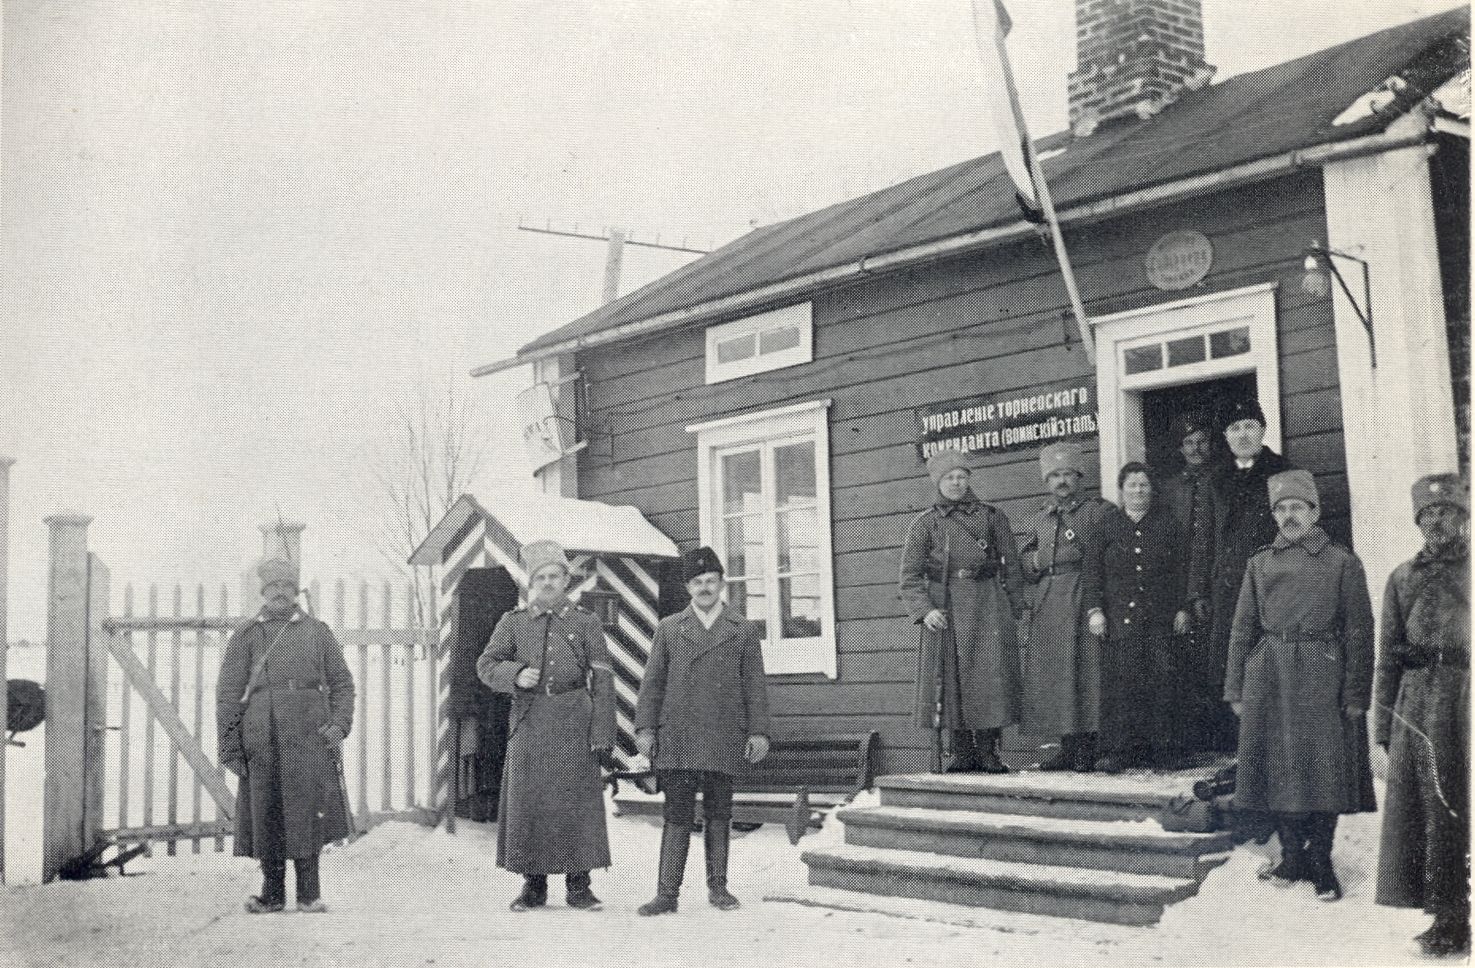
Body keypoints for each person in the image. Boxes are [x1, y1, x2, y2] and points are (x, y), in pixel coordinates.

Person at [1224, 470, 1375, 903]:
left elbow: (1360, 632)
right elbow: (1242, 628)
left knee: (1324, 767)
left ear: (1315, 512)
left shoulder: (1342, 562)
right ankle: (1291, 857)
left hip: (1322, 672)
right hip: (1269, 673)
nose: (1289, 516)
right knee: (1279, 766)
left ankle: (1321, 860)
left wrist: (1356, 691)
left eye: (1297, 508)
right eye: (1281, 509)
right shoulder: (1260, 563)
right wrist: (1235, 687)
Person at [476, 539, 616, 912]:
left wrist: (603, 733)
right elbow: (485, 665)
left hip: (575, 721)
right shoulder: (513, 622)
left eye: (555, 576)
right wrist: (515, 674)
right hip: (530, 721)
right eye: (541, 577)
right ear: (531, 582)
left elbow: (603, 680)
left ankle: (579, 885)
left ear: (566, 580)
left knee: (576, 802)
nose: (548, 583)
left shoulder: (586, 622)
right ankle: (533, 886)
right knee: (530, 801)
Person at [634, 546, 771, 916]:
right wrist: (645, 729)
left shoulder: (743, 630)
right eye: (697, 582)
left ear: (722, 583)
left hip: (724, 735)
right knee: (677, 813)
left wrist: (758, 732)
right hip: (678, 735)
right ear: (688, 587)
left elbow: (754, 686)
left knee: (719, 812)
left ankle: (719, 888)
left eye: (711, 580)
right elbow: (653, 684)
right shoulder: (669, 628)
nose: (705, 588)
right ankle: (667, 894)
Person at [216, 558, 355, 914]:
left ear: (296, 592)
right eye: (273, 586)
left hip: (309, 734)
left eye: (286, 587)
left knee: (308, 810)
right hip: (261, 735)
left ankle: (309, 894)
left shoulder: (318, 632)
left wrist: (339, 725)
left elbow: (342, 684)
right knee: (267, 811)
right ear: (262, 592)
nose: (280, 592)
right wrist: (230, 747)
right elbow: (229, 694)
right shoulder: (246, 635)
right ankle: (272, 894)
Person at [1373, 474, 1470, 957]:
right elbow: (1388, 654)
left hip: (1464, 698)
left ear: (1463, 516)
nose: (1436, 521)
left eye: (1445, 511)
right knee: (1431, 809)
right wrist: (1383, 726)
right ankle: (1447, 916)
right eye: (1427, 514)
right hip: (1417, 707)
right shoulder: (1402, 578)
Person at [899, 448, 1027, 773]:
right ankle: (961, 752)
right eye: (949, 478)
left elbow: (1012, 564)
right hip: (947, 610)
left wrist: (1013, 606)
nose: (956, 483)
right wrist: (925, 611)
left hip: (987, 605)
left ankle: (988, 751)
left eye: (961, 476)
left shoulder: (992, 517)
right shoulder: (925, 524)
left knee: (989, 678)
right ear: (937, 482)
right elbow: (910, 576)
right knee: (951, 680)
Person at [1188, 399, 1294, 753]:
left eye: (1249, 425)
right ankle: (1242, 752)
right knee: (1233, 666)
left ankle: (1276, 750)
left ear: (1262, 429)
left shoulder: (1283, 472)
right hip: (1228, 588)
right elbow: (1204, 539)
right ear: (1226, 436)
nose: (1243, 434)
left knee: (1271, 662)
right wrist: (1198, 591)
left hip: (1273, 585)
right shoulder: (1214, 480)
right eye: (1234, 428)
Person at [1080, 462, 1190, 772]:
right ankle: (1120, 751)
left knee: (1163, 681)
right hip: (1120, 619)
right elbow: (1092, 572)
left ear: (1152, 489)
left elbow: (1183, 570)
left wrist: (1183, 608)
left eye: (1144, 485)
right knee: (1123, 684)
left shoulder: (1168, 524)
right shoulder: (1106, 526)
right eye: (1132, 485)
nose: (1138, 490)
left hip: (1161, 618)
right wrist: (1095, 610)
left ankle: (1165, 751)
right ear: (1122, 490)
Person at [1020, 441, 1114, 771]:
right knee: (1056, 673)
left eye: (1068, 474)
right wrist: (1036, 561)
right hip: (1049, 601)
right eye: (1055, 475)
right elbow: (1024, 560)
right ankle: (1067, 745)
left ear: (1079, 477)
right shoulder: (1040, 518)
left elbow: (1107, 555)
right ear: (1047, 481)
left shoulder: (1098, 512)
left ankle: (1089, 746)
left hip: (1082, 595)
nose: (1062, 481)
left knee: (1086, 670)